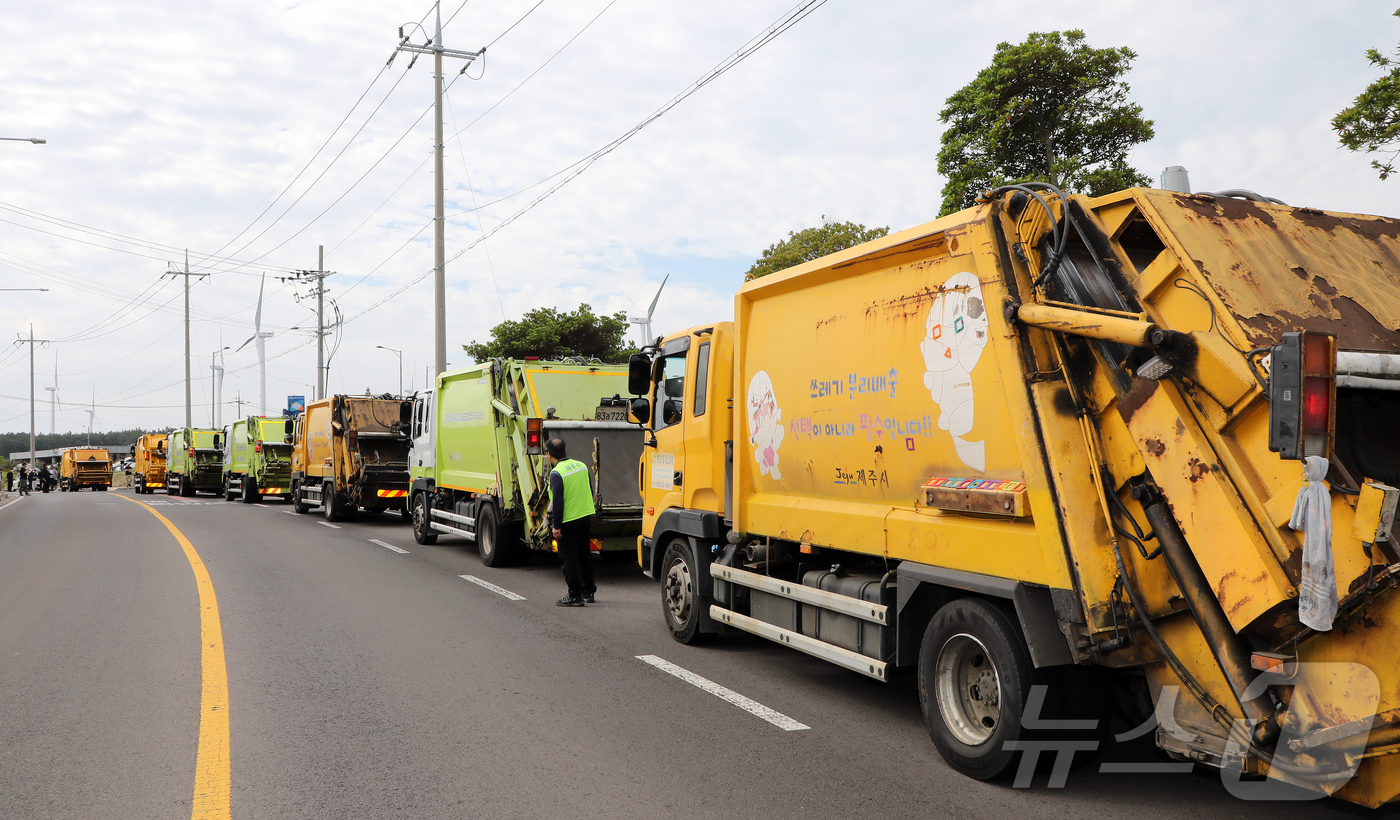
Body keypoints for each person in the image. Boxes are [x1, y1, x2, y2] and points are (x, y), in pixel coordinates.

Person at [545, 437, 596, 607]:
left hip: (569, 520)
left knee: (569, 558)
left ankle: (575, 595)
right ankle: (589, 591)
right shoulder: (581, 465)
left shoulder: (556, 473)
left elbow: (558, 502)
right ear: (565, 451)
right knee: (584, 555)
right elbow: (589, 489)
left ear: (548, 454)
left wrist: (556, 526)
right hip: (585, 515)